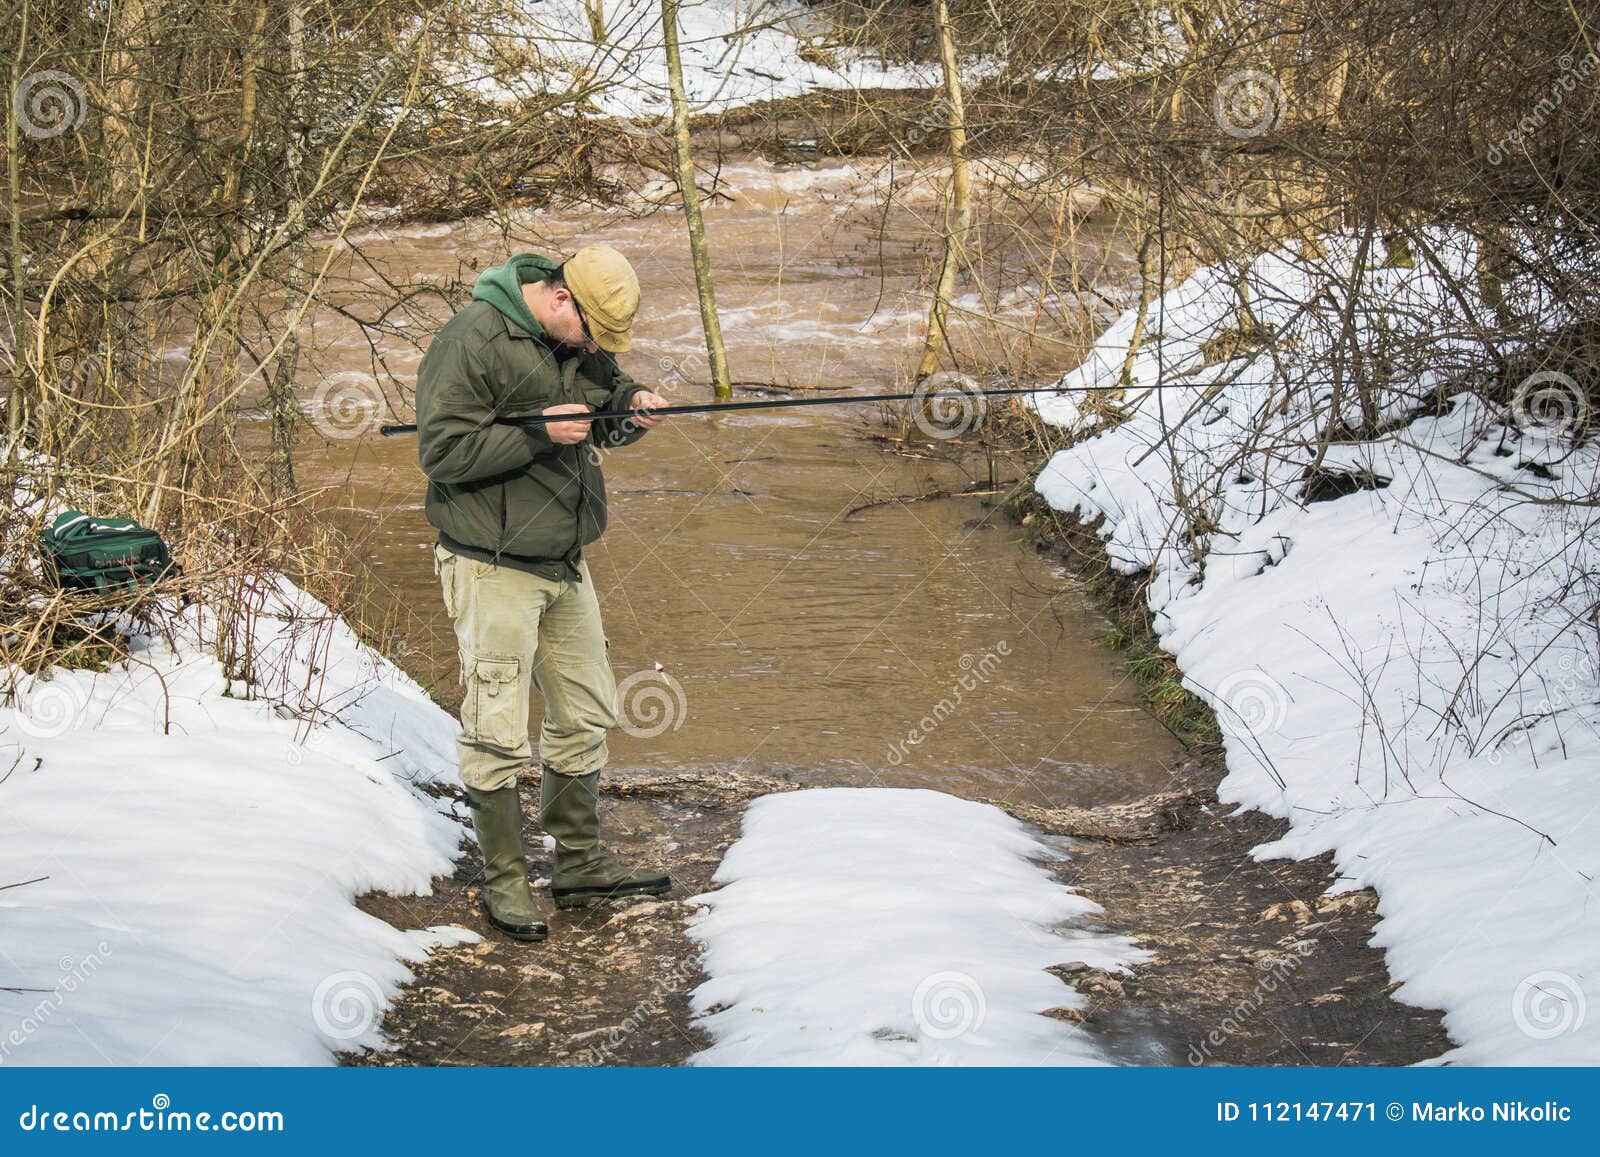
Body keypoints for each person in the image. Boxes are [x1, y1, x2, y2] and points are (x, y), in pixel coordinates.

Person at [413, 245, 671, 943]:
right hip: (490, 562)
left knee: (587, 712)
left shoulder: (578, 342)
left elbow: (605, 404)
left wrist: (631, 408)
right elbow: (439, 452)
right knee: (498, 728)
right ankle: (505, 878)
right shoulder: (469, 340)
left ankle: (579, 864)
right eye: (593, 334)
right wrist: (535, 433)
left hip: (564, 557)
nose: (596, 349)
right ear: (562, 300)